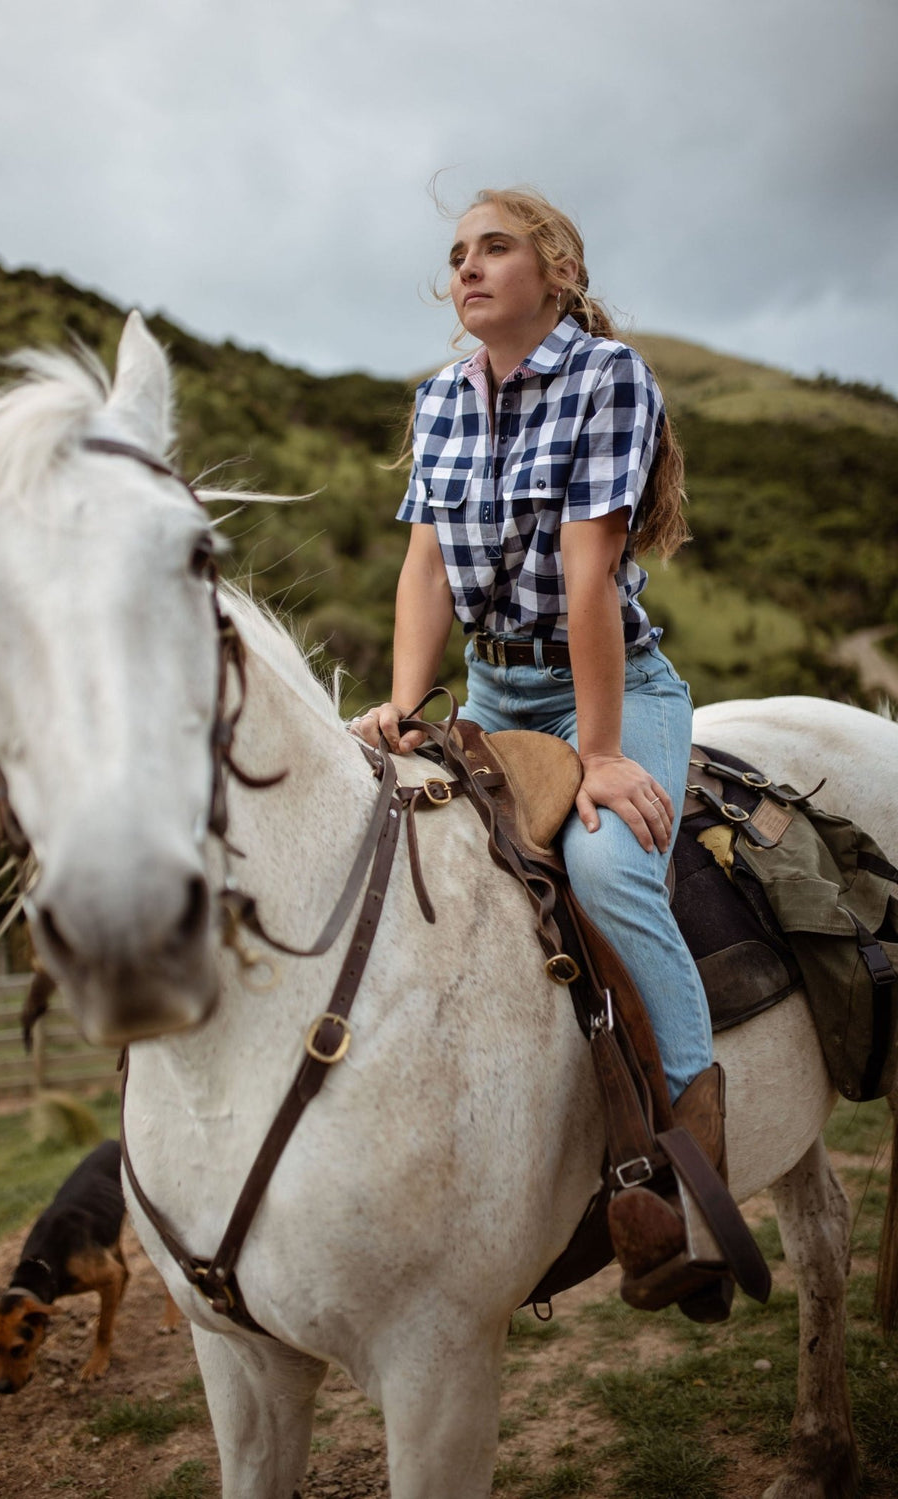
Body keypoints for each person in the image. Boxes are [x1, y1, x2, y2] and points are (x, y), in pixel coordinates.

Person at [354, 186, 724, 1311]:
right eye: (456, 254)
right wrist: (402, 699)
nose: (467, 268)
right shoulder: (438, 401)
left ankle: (696, 1172)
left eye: (494, 248)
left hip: (601, 689)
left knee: (611, 869)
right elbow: (425, 568)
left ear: (555, 270)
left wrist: (603, 753)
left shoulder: (609, 379)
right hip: (493, 687)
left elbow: (588, 580)